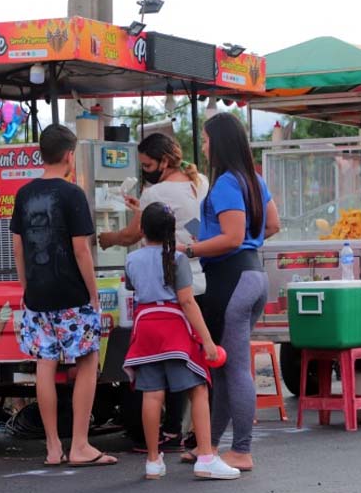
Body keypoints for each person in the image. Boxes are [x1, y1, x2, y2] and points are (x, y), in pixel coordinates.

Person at [11, 124, 117, 467]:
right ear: (70, 155)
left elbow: (18, 247)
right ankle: (81, 445)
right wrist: (93, 294)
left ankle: (53, 447)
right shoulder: (72, 194)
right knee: (86, 362)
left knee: (45, 365)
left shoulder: (24, 194)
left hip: (38, 294)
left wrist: (27, 287)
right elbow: (81, 250)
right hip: (72, 292)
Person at [179, 112, 280, 471]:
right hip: (252, 276)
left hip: (231, 281)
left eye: (205, 140)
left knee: (234, 368)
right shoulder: (253, 179)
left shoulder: (225, 183)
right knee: (221, 367)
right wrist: (231, 243)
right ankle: (209, 445)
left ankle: (241, 449)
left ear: (218, 142)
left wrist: (193, 249)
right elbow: (272, 224)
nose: (203, 147)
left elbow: (233, 237)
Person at [99, 132, 207, 452]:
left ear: (163, 161)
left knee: (161, 375)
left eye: (147, 164)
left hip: (170, 292)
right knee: (190, 366)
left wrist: (108, 238)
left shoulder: (157, 192)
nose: (145, 170)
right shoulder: (199, 181)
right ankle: (192, 436)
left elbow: (135, 233)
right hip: (200, 280)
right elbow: (193, 224)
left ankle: (165, 438)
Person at [123, 202, 241, 480]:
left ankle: (153, 461)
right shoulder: (176, 260)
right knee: (198, 389)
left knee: (151, 394)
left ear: (142, 230)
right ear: (170, 232)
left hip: (145, 330)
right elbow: (187, 301)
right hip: (173, 331)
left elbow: (132, 287)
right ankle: (206, 457)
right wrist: (208, 341)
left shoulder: (132, 260)